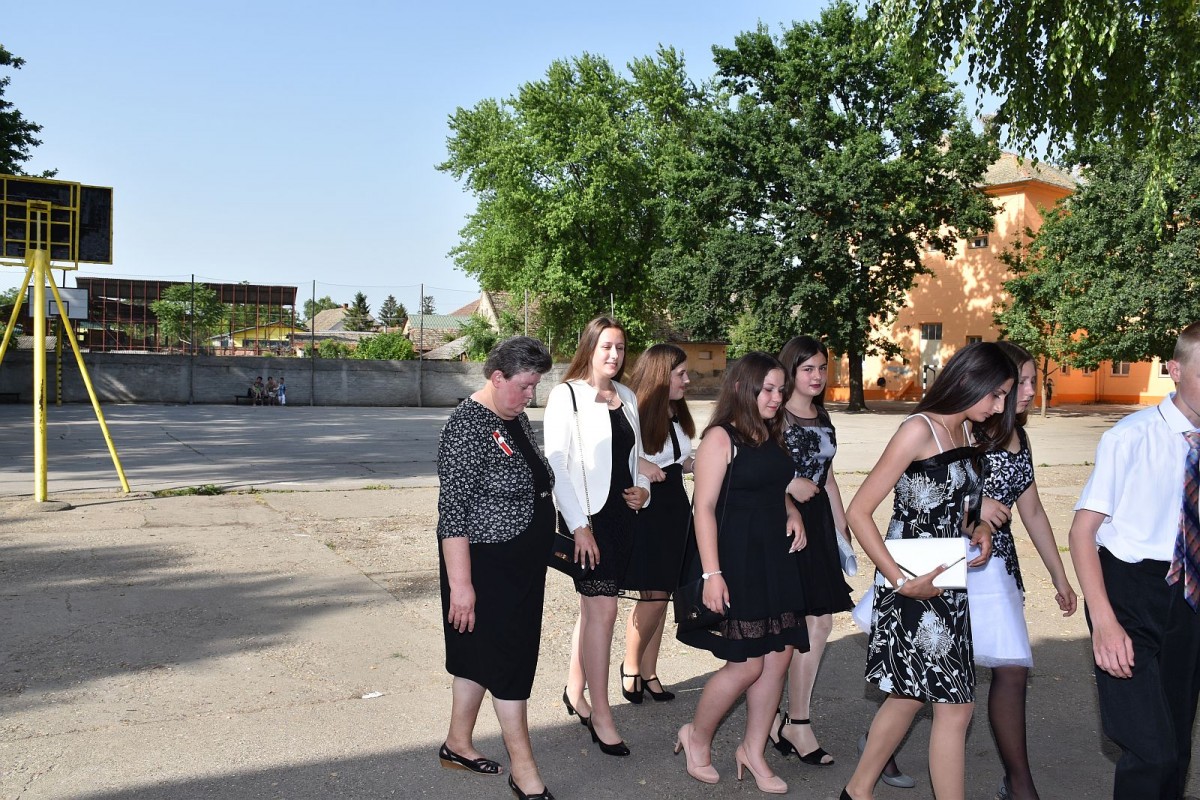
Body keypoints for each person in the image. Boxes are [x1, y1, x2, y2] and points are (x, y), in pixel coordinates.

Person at [842, 342, 1014, 800]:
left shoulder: (967, 432)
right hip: (911, 587)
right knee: (955, 707)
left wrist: (979, 527)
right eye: (996, 394)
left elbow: (960, 508)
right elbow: (859, 511)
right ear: (969, 381)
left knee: (909, 695)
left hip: (948, 587)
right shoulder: (918, 430)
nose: (1000, 407)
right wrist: (901, 582)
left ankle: (857, 791)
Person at [1068, 322, 1200, 800]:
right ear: (1175, 371)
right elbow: (1082, 533)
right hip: (1129, 592)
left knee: (1177, 746)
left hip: (1190, 591)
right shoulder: (1130, 437)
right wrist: (1104, 623)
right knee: (1151, 750)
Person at [675, 352, 809, 794]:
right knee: (746, 664)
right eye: (766, 389)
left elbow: (771, 484)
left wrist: (791, 510)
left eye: (780, 390)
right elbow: (704, 508)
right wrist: (712, 573)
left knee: (780, 656)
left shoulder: (770, 432)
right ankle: (696, 736)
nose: (776, 398)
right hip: (736, 560)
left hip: (775, 558)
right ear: (741, 388)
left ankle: (753, 750)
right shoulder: (720, 437)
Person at [435, 336, 557, 800]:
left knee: (478, 657)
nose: (531, 395)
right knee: (509, 663)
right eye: (525, 386)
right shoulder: (466, 426)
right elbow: (452, 514)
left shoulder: (514, 418)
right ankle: (524, 770)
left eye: (535, 386)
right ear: (497, 377)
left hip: (519, 566)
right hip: (486, 568)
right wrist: (461, 586)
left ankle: (457, 744)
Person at [970, 342, 1078, 800]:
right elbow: (926, 486)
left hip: (999, 568)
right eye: (1024, 382)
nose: (1032, 390)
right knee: (932, 674)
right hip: (959, 562)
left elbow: (1031, 510)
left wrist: (1060, 576)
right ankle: (881, 746)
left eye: (1035, 381)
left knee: (1012, 669)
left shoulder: (1020, 437)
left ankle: (1019, 783)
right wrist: (974, 504)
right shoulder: (969, 427)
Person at [544, 317, 651, 757]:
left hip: (623, 517)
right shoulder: (566, 395)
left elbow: (635, 456)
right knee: (603, 611)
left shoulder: (627, 396)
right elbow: (556, 464)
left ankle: (575, 690)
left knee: (594, 610)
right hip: (586, 519)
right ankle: (602, 714)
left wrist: (642, 489)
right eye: (606, 346)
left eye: (620, 347)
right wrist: (578, 526)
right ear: (590, 348)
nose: (614, 355)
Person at [768, 336, 853, 767]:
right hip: (781, 523)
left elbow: (829, 478)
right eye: (808, 369)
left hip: (818, 523)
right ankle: (782, 718)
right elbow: (753, 469)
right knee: (788, 625)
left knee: (819, 622)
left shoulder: (823, 415)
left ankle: (794, 720)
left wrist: (842, 530)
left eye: (822, 367)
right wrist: (788, 485)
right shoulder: (774, 414)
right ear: (791, 371)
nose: (817, 376)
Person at [620, 343, 696, 705]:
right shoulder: (635, 411)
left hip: (675, 507)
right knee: (653, 595)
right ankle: (631, 666)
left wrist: (700, 461)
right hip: (649, 508)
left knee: (663, 595)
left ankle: (649, 671)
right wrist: (642, 466)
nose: (687, 379)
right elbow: (618, 458)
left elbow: (678, 460)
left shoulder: (675, 411)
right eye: (680, 373)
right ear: (660, 375)